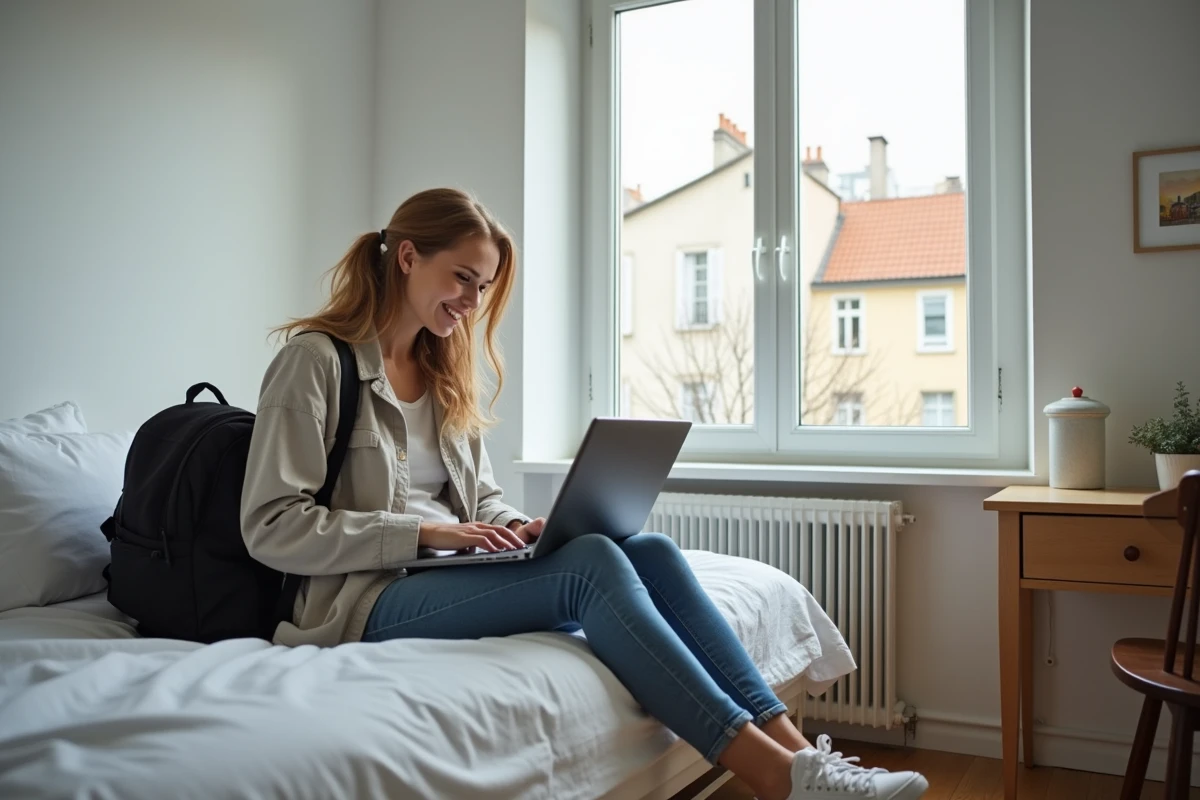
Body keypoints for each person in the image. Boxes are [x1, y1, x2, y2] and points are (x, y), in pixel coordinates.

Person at [240, 187, 929, 800]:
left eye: (483, 287)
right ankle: (775, 779)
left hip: (444, 569)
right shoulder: (315, 361)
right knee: (590, 569)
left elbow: (481, 503)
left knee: (648, 549)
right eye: (464, 279)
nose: (473, 303)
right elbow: (271, 525)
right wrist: (424, 534)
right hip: (365, 597)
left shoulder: (442, 368)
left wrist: (523, 527)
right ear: (409, 257)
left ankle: (806, 760)